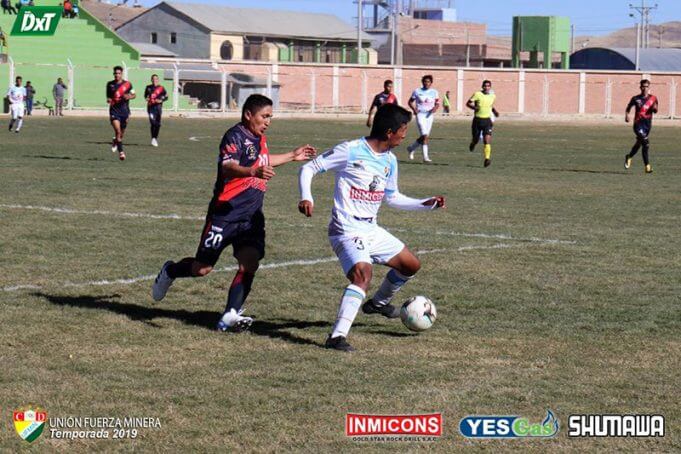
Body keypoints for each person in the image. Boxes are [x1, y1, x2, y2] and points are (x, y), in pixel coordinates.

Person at [151, 94, 316, 332]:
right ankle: (171, 270)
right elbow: (227, 168)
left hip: (250, 217)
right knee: (202, 269)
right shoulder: (234, 136)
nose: (268, 121)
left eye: (270, 117)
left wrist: (292, 155)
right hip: (225, 213)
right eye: (264, 116)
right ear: (249, 114)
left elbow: (263, 160)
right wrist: (252, 172)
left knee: (249, 263)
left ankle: (229, 315)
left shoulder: (260, 138)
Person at [298, 104, 446, 352]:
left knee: (411, 265)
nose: (404, 135)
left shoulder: (389, 160)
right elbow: (309, 168)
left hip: (371, 229)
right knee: (362, 275)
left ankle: (378, 304)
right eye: (403, 130)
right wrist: (307, 197)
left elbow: (392, 197)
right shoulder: (351, 150)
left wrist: (425, 204)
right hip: (346, 229)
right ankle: (336, 337)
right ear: (389, 132)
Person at [625, 79, 658, 174]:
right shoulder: (635, 98)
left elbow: (655, 110)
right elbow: (628, 108)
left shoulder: (653, 98)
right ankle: (647, 167)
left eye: (647, 86)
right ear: (640, 87)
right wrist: (627, 115)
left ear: (649, 87)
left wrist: (654, 109)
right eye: (643, 86)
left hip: (647, 125)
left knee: (639, 143)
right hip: (638, 125)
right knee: (646, 144)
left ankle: (629, 156)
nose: (645, 88)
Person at [406, 75, 439, 163]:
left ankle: (411, 148)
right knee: (424, 135)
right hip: (420, 114)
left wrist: (435, 108)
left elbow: (437, 103)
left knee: (425, 137)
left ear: (431, 83)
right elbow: (410, 101)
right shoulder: (417, 91)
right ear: (422, 82)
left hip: (429, 115)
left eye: (428, 81)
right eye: (425, 81)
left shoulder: (434, 92)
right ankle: (425, 157)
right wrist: (414, 109)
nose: (426, 83)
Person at [467, 80, 499, 167]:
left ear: (490, 87)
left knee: (486, 140)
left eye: (488, 86)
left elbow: (490, 106)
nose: (486, 87)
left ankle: (487, 159)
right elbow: (468, 103)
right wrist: (474, 107)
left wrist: (495, 111)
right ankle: (473, 144)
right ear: (482, 86)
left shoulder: (493, 96)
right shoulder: (477, 94)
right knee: (476, 139)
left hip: (487, 121)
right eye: (485, 86)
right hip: (477, 121)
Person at [106, 66, 135, 161]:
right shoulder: (110, 84)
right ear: (113, 74)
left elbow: (134, 95)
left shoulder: (128, 84)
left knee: (121, 134)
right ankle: (121, 153)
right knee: (118, 131)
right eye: (115, 73)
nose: (117, 75)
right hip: (114, 111)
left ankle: (115, 141)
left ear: (121, 74)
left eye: (119, 73)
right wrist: (109, 99)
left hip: (125, 111)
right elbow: (109, 97)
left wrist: (129, 96)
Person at [144, 74, 167, 147]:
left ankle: (154, 139)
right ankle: (153, 138)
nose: (154, 80)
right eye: (153, 79)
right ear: (151, 80)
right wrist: (147, 98)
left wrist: (161, 100)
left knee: (158, 124)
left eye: (156, 79)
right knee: (153, 123)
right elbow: (145, 96)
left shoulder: (161, 88)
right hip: (151, 108)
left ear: (158, 80)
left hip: (158, 108)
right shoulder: (148, 87)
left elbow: (166, 96)